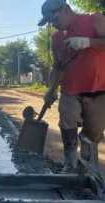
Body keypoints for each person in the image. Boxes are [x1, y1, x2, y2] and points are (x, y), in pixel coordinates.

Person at [38, 0, 105, 172]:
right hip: (69, 90)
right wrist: (50, 89)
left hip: (98, 89)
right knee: (67, 125)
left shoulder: (94, 20)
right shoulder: (56, 38)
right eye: (48, 21)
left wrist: (89, 42)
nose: (52, 23)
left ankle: (88, 168)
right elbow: (57, 66)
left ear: (66, 9)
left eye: (53, 18)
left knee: (93, 133)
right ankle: (70, 164)